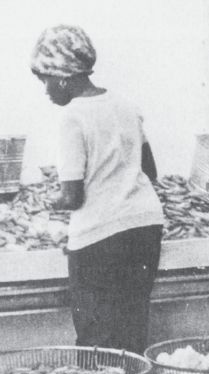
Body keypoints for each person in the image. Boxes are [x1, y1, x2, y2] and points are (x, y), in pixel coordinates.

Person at [30, 25, 164, 354]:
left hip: (100, 240)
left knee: (95, 339)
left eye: (45, 80)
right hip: (145, 229)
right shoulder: (126, 105)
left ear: (62, 76)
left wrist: (46, 204)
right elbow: (150, 172)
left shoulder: (72, 118)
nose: (46, 90)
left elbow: (72, 196)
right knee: (132, 331)